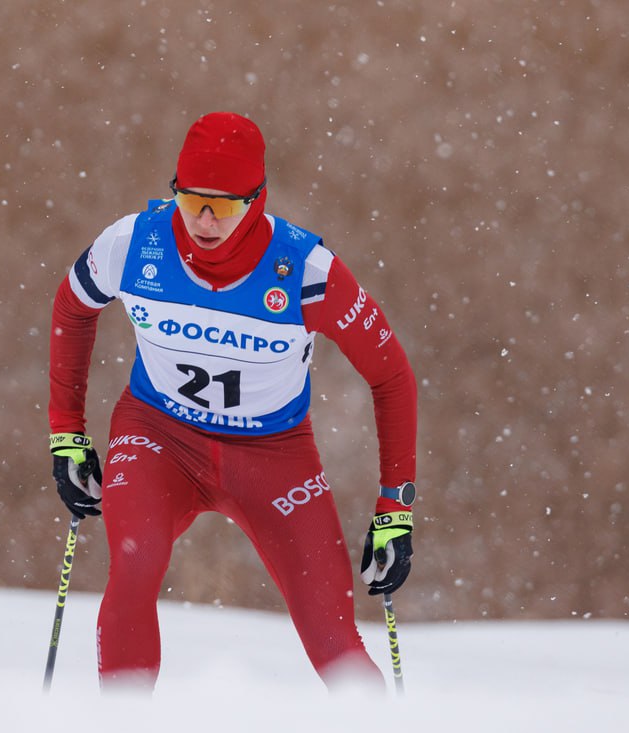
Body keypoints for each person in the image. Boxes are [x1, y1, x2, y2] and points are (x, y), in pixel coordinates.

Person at [47, 111, 418, 690]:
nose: (204, 220)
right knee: (134, 565)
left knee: (334, 638)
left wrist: (396, 508)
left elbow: (392, 377)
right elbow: (73, 307)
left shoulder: (307, 272)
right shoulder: (132, 244)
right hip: (159, 437)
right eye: (193, 199)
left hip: (273, 456)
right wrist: (66, 431)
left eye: (226, 205)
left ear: (258, 200)